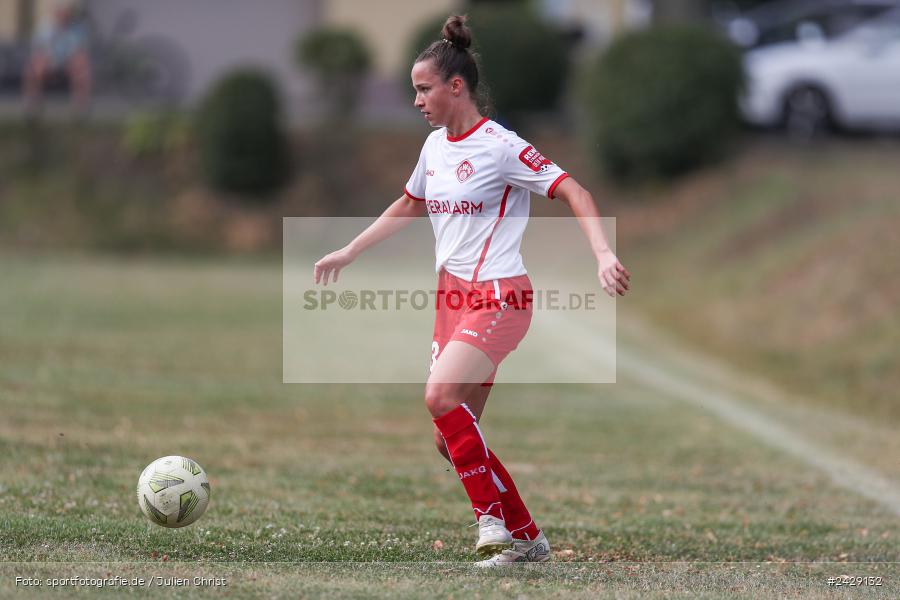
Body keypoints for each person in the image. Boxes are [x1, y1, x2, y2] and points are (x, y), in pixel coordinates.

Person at [313, 15, 630, 566]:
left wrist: (603, 253)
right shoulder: (434, 147)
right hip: (452, 300)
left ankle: (491, 522)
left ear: (455, 86)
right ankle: (528, 538)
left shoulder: (502, 146)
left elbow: (574, 190)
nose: (417, 101)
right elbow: (409, 204)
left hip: (501, 295)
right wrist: (351, 249)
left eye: (423, 89)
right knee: (451, 436)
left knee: (439, 398)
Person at [23, 0, 92, 114]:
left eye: (66, 11)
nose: (63, 14)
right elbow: (39, 51)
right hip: (49, 62)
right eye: (61, 11)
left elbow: (80, 52)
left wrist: (75, 61)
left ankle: (81, 106)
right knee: (35, 67)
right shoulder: (44, 27)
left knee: (82, 68)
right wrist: (47, 61)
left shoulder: (78, 29)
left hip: (69, 63)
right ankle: (33, 104)